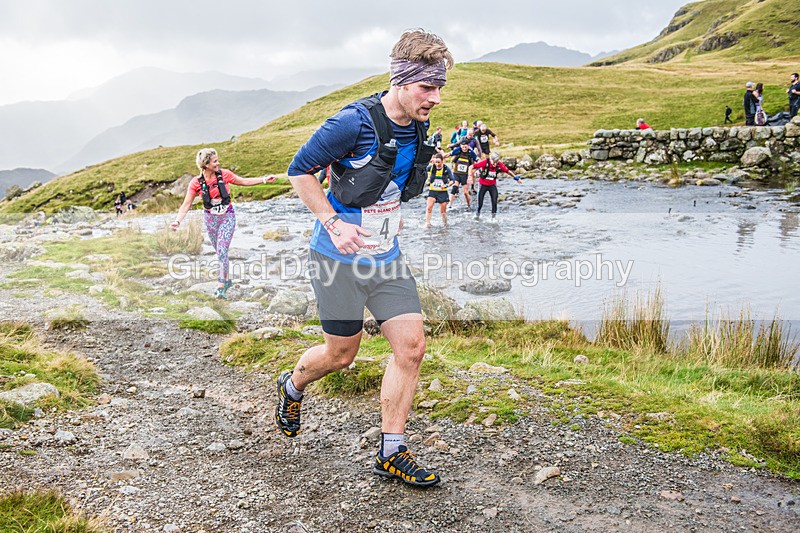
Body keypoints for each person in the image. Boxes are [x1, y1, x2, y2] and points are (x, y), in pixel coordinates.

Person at [279, 29, 453, 488]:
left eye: (439, 87)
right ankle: (293, 385)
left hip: (386, 258)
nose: (435, 97)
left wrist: (390, 216)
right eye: (427, 87)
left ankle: (391, 451)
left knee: (412, 349)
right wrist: (334, 223)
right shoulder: (352, 123)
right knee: (341, 356)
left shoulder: (417, 124)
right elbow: (299, 171)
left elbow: (390, 186)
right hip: (336, 259)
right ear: (401, 80)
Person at [170, 148, 276, 299]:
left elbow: (244, 181)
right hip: (210, 219)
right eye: (215, 161)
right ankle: (226, 280)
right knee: (220, 252)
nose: (218, 163)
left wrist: (264, 179)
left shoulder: (225, 174)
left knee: (222, 250)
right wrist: (177, 221)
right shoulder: (196, 183)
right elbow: (186, 204)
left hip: (227, 216)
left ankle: (221, 286)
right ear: (206, 164)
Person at [469, 152, 519, 220]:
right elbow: (471, 167)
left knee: (494, 201)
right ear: (490, 159)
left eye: (496, 162)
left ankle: (493, 218)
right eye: (493, 162)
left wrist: (516, 178)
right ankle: (477, 214)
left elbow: (507, 171)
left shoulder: (499, 164)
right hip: (483, 185)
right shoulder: (484, 162)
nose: (495, 164)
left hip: (492, 185)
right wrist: (470, 176)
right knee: (480, 203)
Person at [425, 153, 455, 228]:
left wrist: (446, 185)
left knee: (443, 212)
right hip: (432, 191)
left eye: (438, 162)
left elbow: (452, 180)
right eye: (435, 162)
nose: (437, 164)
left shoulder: (446, 169)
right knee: (429, 208)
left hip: (442, 192)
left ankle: (445, 225)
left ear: (442, 161)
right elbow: (422, 171)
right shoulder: (431, 167)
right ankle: (428, 224)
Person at [449, 138, 478, 209]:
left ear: (468, 145)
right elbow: (448, 154)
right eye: (463, 147)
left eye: (466, 147)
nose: (464, 148)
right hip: (456, 173)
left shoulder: (471, 152)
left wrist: (476, 169)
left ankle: (469, 205)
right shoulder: (458, 150)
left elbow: (477, 160)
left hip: (465, 175)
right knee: (454, 188)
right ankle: (449, 205)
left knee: (465, 192)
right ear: (460, 146)